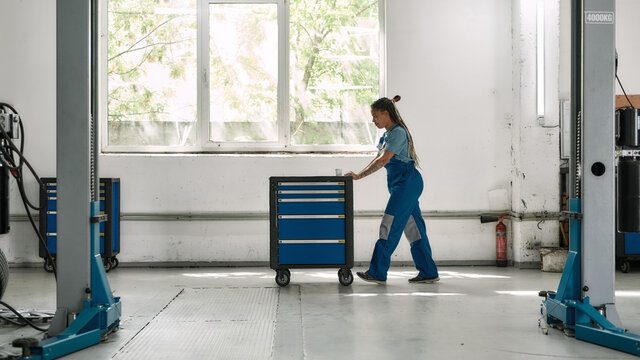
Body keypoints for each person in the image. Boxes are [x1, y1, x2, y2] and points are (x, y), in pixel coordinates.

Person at [346, 95, 439, 285]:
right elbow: (378, 157)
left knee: (388, 225)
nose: (373, 120)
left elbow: (383, 161)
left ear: (385, 113)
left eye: (375, 116)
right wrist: (359, 174)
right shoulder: (388, 133)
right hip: (404, 185)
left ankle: (377, 272)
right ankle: (429, 272)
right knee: (414, 230)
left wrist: (359, 176)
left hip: (407, 184)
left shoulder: (397, 133)